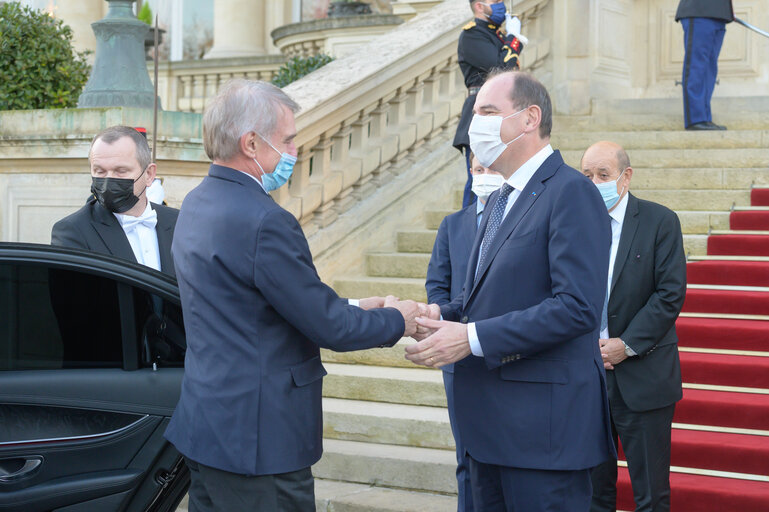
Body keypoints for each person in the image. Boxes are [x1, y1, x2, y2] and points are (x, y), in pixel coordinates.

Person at [164, 79, 421, 512]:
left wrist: (357, 305)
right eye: (287, 140)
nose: (294, 150)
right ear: (251, 143)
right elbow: (328, 327)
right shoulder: (266, 220)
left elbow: (256, 303)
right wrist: (399, 319)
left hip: (208, 428)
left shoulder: (196, 202)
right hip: (260, 444)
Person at [406, 70, 615, 512]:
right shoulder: (502, 197)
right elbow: (488, 296)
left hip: (542, 436)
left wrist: (471, 338)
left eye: (487, 111)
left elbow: (576, 307)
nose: (472, 125)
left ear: (529, 118)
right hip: (489, 432)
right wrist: (440, 317)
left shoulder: (571, 193)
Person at [581, 141, 687, 512]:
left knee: (650, 495)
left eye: (603, 175)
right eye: (587, 175)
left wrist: (624, 344)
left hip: (643, 376)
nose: (595, 183)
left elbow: (669, 294)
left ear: (625, 178)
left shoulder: (660, 221)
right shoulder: (574, 226)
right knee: (594, 492)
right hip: (588, 378)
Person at [425, 153, 504, 512]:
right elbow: (437, 287)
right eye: (477, 170)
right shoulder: (452, 225)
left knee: (500, 461)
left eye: (491, 169)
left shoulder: (519, 221)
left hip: (502, 352)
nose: (484, 176)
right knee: (466, 458)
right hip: (459, 361)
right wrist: (441, 317)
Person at [51, 125, 178, 276]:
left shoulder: (180, 222)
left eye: (121, 171)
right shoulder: (73, 231)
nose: (108, 181)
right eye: (100, 171)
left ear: (149, 174)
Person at [454, 0, 526, 207]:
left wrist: (509, 38)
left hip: (503, 114)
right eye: (494, 1)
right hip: (482, 114)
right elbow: (499, 71)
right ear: (479, 6)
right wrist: (514, 39)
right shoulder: (472, 34)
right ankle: (469, 236)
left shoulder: (496, 36)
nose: (500, 5)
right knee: (480, 180)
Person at [675, 0, 733, 130]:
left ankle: (704, 117)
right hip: (699, 10)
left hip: (719, 13)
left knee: (709, 70)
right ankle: (695, 119)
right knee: (697, 66)